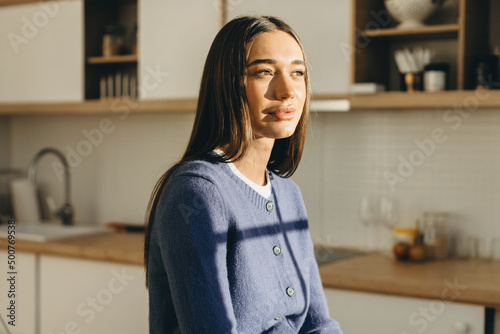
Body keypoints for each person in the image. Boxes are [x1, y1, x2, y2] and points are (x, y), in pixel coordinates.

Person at [144, 15, 343, 334]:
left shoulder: (289, 195)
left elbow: (317, 324)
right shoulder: (197, 193)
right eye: (264, 72)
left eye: (298, 73)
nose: (287, 90)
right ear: (228, 83)